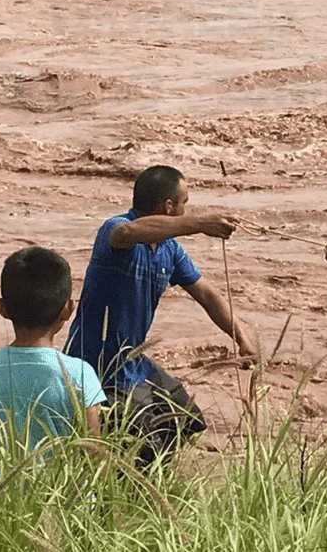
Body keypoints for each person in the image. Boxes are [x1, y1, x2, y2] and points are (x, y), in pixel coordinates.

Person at [63, 165, 259, 469]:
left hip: (133, 362)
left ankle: (145, 479)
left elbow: (207, 295)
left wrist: (242, 338)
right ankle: (126, 488)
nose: (186, 210)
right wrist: (199, 224)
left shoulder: (170, 250)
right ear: (169, 207)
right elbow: (129, 233)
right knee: (144, 443)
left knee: (186, 420)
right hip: (98, 364)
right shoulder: (115, 229)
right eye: (185, 203)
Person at [0, 246, 105, 458]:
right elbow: (94, 454)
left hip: (2, 491)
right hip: (67, 491)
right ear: (69, 309)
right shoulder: (79, 373)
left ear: (2, 308)